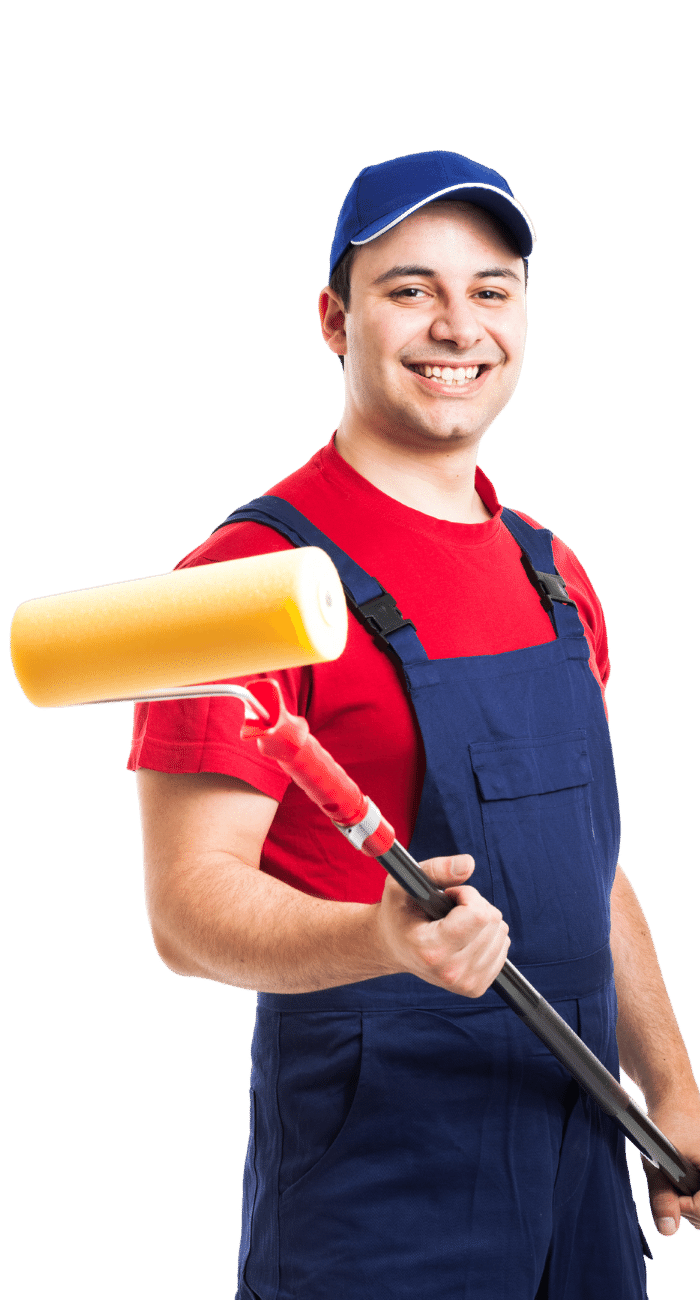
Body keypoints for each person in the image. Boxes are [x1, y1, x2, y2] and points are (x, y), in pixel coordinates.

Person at [131, 151, 699, 1298]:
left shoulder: (554, 574)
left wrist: (673, 1079)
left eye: (490, 290)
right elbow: (188, 911)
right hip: (378, 1189)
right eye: (409, 288)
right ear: (336, 320)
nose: (457, 325)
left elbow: (585, 867)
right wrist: (381, 939)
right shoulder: (243, 585)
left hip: (576, 1148)